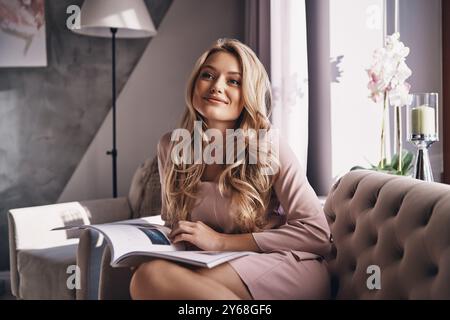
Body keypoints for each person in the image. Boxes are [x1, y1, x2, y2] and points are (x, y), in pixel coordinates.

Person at [129, 38, 332, 300]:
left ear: (248, 92)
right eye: (208, 75)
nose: (216, 86)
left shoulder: (268, 145)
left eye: (233, 81)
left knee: (153, 278)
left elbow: (317, 233)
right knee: (146, 273)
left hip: (281, 263)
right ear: (194, 83)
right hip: (216, 260)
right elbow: (173, 221)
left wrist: (221, 242)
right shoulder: (171, 146)